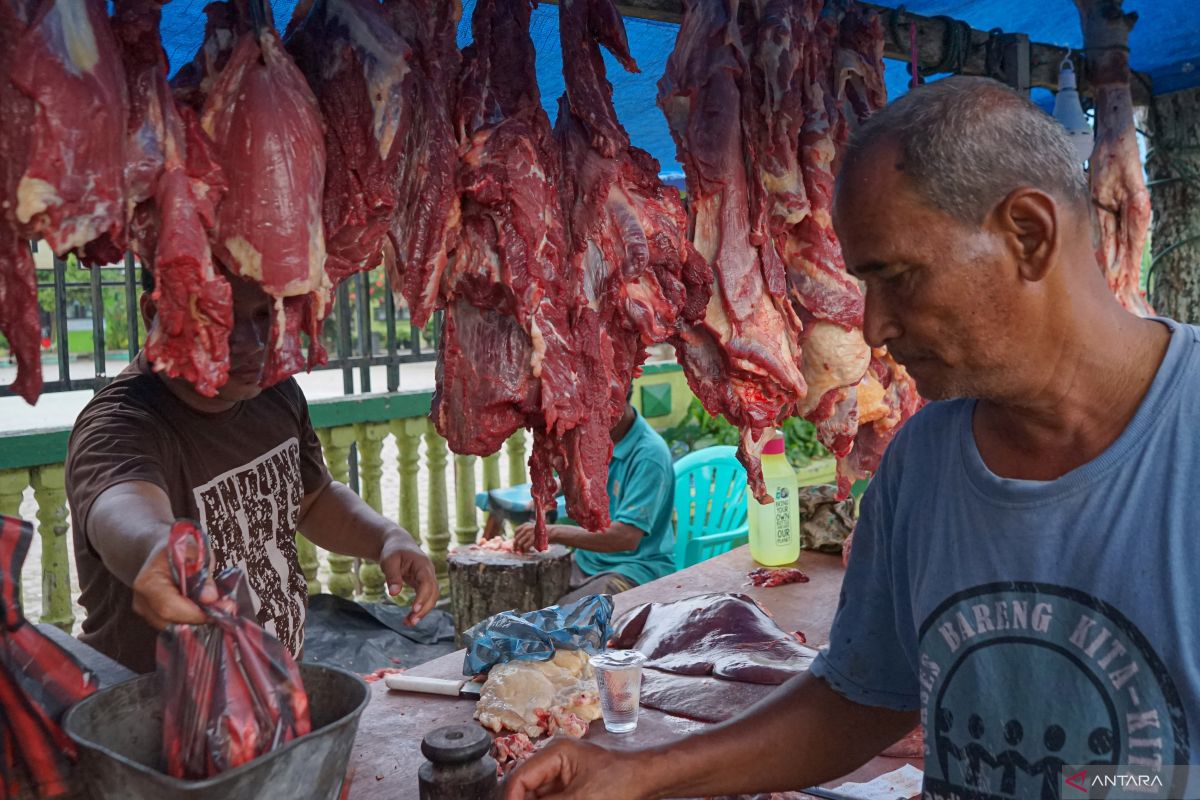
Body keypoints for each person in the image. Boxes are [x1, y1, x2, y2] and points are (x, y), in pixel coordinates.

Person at [504, 75, 1200, 799]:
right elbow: (863, 695)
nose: (873, 327)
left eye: (896, 277)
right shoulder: (924, 462)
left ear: (1028, 234)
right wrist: (643, 773)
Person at [65, 267, 438, 673]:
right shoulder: (119, 424)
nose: (251, 342)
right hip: (155, 714)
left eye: (264, 314)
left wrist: (385, 537)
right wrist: (157, 548)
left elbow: (312, 501)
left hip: (268, 694)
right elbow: (121, 505)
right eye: (219, 315)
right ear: (153, 312)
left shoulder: (275, 391)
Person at [511, 397, 676, 604]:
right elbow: (580, 474)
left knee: (565, 614)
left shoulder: (650, 456)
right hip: (587, 562)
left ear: (620, 404)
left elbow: (626, 537)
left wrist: (552, 532)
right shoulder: (601, 438)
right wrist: (552, 489)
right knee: (523, 587)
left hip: (636, 569)